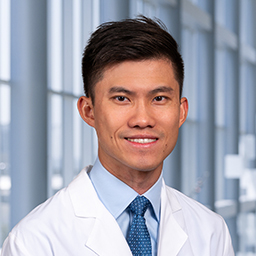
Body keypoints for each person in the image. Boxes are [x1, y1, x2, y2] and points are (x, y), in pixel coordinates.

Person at [1, 16, 234, 256]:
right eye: (122, 99)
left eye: (159, 98)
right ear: (88, 111)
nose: (143, 120)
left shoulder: (210, 232)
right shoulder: (33, 242)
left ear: (181, 111)